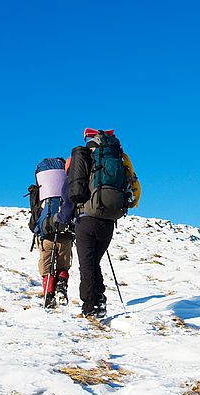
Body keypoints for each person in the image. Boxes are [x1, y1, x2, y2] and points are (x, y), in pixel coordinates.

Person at [59, 128, 140, 318]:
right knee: (94, 262)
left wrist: (64, 218)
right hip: (109, 220)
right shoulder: (118, 159)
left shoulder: (82, 158)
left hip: (85, 218)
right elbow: (134, 187)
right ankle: (99, 299)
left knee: (87, 264)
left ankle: (90, 307)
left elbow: (68, 193)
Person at [29, 157, 75, 309]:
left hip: (45, 232)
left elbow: (35, 214)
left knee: (46, 266)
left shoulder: (42, 191)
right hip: (65, 232)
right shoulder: (68, 183)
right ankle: (62, 285)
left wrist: (37, 229)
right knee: (63, 265)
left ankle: (49, 296)